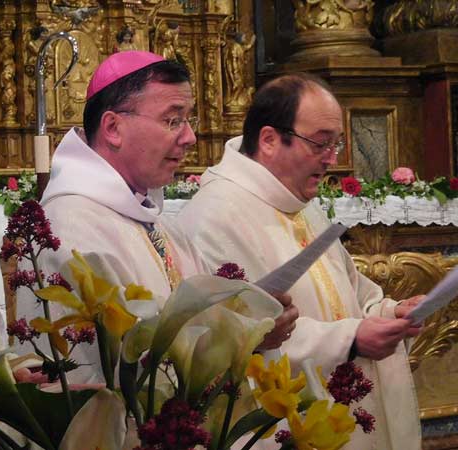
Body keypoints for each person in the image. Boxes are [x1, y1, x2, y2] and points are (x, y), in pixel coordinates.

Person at [177, 73, 423, 449]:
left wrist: (390, 313)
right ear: (270, 140)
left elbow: (353, 295)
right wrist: (351, 339)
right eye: (321, 144)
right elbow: (229, 338)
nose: (332, 159)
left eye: (336, 144)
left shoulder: (298, 202)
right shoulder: (215, 216)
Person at [20, 51, 298, 385]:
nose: (190, 137)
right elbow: (94, 378)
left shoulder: (155, 219)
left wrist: (249, 321)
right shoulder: (69, 228)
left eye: (188, 120)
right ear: (113, 128)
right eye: (173, 120)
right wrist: (244, 337)